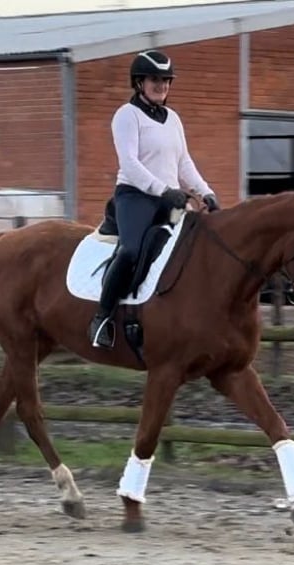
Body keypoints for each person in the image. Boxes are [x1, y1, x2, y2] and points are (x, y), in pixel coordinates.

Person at [88, 49, 221, 349]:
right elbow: (130, 163)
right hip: (135, 197)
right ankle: (102, 318)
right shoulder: (126, 115)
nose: (161, 85)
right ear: (139, 83)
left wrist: (206, 192)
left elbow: (184, 163)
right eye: (154, 79)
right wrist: (163, 189)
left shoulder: (173, 119)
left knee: (191, 247)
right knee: (132, 250)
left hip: (170, 204)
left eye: (166, 80)